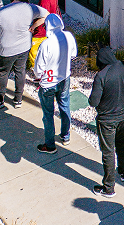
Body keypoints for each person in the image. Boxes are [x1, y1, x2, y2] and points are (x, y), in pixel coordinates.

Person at [0, 0, 47, 109]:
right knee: (20, 72)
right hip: (24, 47)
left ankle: (0, 100)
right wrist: (33, 27)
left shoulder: (1, 12)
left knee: (3, 73)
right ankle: (18, 100)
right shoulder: (30, 8)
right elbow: (46, 15)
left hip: (6, 49)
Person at [89, 46, 124, 196]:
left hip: (106, 120)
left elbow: (93, 102)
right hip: (123, 115)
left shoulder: (101, 76)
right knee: (121, 143)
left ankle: (108, 188)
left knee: (108, 152)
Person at [33, 13, 77, 153]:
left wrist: (39, 77)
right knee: (65, 107)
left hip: (48, 84)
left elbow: (38, 68)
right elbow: (73, 54)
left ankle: (50, 145)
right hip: (64, 79)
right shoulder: (68, 36)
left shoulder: (46, 43)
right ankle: (66, 136)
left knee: (48, 114)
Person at [30, 0, 61, 68]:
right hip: (51, 27)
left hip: (42, 30)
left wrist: (33, 27)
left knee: (33, 50)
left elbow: (44, 17)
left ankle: (39, 72)